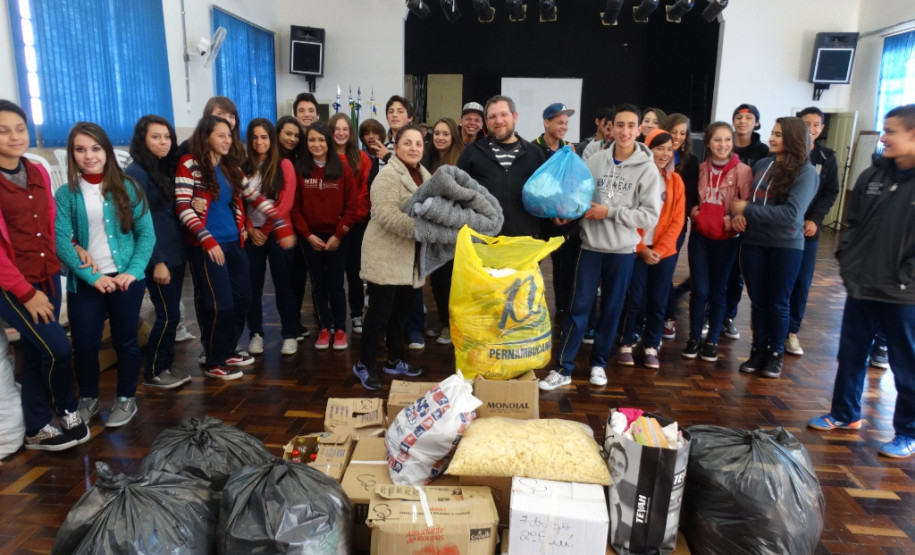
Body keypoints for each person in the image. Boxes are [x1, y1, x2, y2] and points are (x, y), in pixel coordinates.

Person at [807, 104, 915, 459]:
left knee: (905, 363)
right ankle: (844, 414)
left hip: (904, 294)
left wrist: (906, 276)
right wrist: (848, 260)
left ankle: (907, 431)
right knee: (851, 353)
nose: (882, 137)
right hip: (862, 285)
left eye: (891, 131)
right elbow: (852, 225)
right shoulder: (872, 177)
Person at [540, 104, 661, 391]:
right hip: (591, 246)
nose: (625, 131)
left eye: (631, 125)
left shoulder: (648, 170)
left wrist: (609, 211)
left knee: (611, 310)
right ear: (612, 127)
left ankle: (598, 364)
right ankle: (563, 368)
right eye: (620, 125)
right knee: (578, 307)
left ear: (639, 130)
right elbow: (580, 199)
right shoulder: (594, 161)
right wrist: (566, 212)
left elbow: (649, 216)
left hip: (621, 251)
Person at [176, 115, 295, 380]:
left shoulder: (231, 167)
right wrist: (207, 239)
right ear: (206, 136)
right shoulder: (190, 164)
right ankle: (215, 360)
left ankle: (228, 349)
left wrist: (279, 223)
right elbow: (183, 207)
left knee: (243, 298)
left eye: (229, 135)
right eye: (221, 135)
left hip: (234, 242)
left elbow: (254, 197)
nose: (227, 140)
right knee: (222, 304)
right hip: (209, 245)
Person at [0, 99, 87, 450]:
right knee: (58, 348)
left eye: (20, 128)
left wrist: (72, 247)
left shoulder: (34, 169)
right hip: (14, 284)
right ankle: (66, 407)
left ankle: (36, 426)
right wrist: (24, 292)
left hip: (47, 273)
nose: (14, 136)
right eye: (3, 131)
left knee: (38, 352)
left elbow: (51, 222)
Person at [56, 121, 154, 428]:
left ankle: (126, 399)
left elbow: (146, 235)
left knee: (125, 341)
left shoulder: (128, 187)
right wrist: (91, 277)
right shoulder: (66, 194)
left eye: (95, 148)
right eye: (80, 150)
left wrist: (134, 272)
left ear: (107, 151)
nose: (89, 156)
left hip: (125, 280)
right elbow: (60, 240)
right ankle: (89, 398)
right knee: (84, 344)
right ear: (72, 155)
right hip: (86, 282)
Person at [731, 117, 817, 378]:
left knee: (778, 303)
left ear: (792, 138)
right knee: (758, 301)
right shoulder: (762, 164)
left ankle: (775, 353)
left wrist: (748, 210)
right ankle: (758, 350)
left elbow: (792, 215)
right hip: (754, 242)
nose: (771, 138)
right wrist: (740, 216)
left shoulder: (806, 172)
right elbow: (747, 201)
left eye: (778, 134)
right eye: (772, 132)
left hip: (786, 245)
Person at [352, 125, 429, 390]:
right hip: (385, 256)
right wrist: (421, 228)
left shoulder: (423, 174)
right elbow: (385, 215)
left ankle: (395, 359)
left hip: (409, 260)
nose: (413, 148)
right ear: (395, 148)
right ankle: (364, 363)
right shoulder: (388, 175)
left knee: (400, 314)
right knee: (379, 315)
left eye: (418, 144)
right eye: (407, 143)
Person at [125, 115, 192, 389]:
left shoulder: (162, 168)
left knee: (171, 313)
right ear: (143, 140)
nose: (163, 142)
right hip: (158, 254)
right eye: (156, 137)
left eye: (167, 137)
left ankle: (164, 365)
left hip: (175, 249)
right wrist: (157, 262)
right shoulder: (136, 172)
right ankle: (154, 370)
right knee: (168, 314)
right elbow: (138, 222)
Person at [680, 122, 752, 362]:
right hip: (700, 237)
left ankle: (712, 340)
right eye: (717, 140)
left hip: (727, 240)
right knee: (699, 290)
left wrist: (731, 222)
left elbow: (747, 206)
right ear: (708, 143)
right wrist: (694, 212)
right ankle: (693, 338)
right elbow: (690, 197)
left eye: (727, 140)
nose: (723, 145)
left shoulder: (742, 171)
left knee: (718, 291)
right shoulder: (699, 169)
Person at [618, 128, 684, 369]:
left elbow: (678, 219)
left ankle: (652, 345)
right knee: (635, 299)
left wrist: (661, 249)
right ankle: (627, 341)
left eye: (669, 148)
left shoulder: (676, 181)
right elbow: (625, 214)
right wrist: (642, 248)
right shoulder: (635, 177)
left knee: (658, 301)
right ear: (648, 149)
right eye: (659, 148)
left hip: (663, 253)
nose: (665, 153)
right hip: (635, 249)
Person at [291, 122, 359, 350]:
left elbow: (352, 206)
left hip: (338, 236)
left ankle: (340, 328)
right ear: (306, 143)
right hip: (310, 238)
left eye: (321, 140)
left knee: (336, 284)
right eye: (312, 140)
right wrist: (307, 235)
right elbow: (295, 208)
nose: (317, 144)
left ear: (328, 142)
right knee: (318, 284)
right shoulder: (300, 168)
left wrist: (339, 235)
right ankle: (324, 327)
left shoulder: (343, 168)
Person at [242, 118, 299, 356]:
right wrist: (250, 228)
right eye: (254, 137)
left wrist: (263, 231)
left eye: (264, 137)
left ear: (272, 139)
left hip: (276, 233)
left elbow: (285, 202)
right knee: (252, 289)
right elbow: (238, 202)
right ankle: (256, 334)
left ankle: (290, 334)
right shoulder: (242, 166)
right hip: (251, 235)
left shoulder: (284, 164)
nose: (259, 142)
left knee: (284, 286)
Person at [785, 107, 840, 356]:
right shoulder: (784, 155)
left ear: (822, 128)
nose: (812, 128)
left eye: (816, 124)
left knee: (801, 282)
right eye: (806, 124)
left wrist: (815, 219)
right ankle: (772, 330)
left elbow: (830, 192)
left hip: (809, 230)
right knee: (780, 281)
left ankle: (791, 332)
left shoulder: (827, 158)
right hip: (783, 229)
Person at [457, 95, 547, 238]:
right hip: (482, 242)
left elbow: (545, 195)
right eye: (492, 117)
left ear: (514, 116)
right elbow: (457, 193)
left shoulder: (534, 153)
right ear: (486, 121)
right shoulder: (472, 152)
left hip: (525, 243)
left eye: (504, 114)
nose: (498, 121)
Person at [724, 104, 770, 334]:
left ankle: (728, 317)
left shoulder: (765, 153)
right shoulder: (723, 146)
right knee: (717, 271)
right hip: (722, 219)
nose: (742, 121)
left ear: (757, 123)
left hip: (749, 222)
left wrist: (745, 214)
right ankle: (709, 314)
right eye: (738, 117)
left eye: (748, 117)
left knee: (737, 274)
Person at [418, 117, 465, 345]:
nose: (440, 137)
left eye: (445, 134)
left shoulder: (462, 159)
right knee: (436, 280)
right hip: (433, 230)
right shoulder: (428, 159)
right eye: (437, 133)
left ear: (453, 136)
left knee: (451, 281)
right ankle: (443, 320)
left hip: (454, 231)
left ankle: (452, 325)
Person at [329, 113, 372, 335]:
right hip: (332, 226)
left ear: (351, 132)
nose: (341, 132)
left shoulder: (361, 157)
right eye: (337, 128)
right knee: (334, 275)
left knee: (355, 273)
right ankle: (335, 319)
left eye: (345, 128)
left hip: (356, 224)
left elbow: (365, 191)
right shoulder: (325, 157)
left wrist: (355, 217)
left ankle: (356, 315)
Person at [660, 113, 700, 340]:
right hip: (650, 224)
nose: (677, 137)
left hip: (675, 226)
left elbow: (690, 197)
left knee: (666, 271)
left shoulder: (691, 161)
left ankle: (669, 316)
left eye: (682, 133)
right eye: (673, 131)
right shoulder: (653, 153)